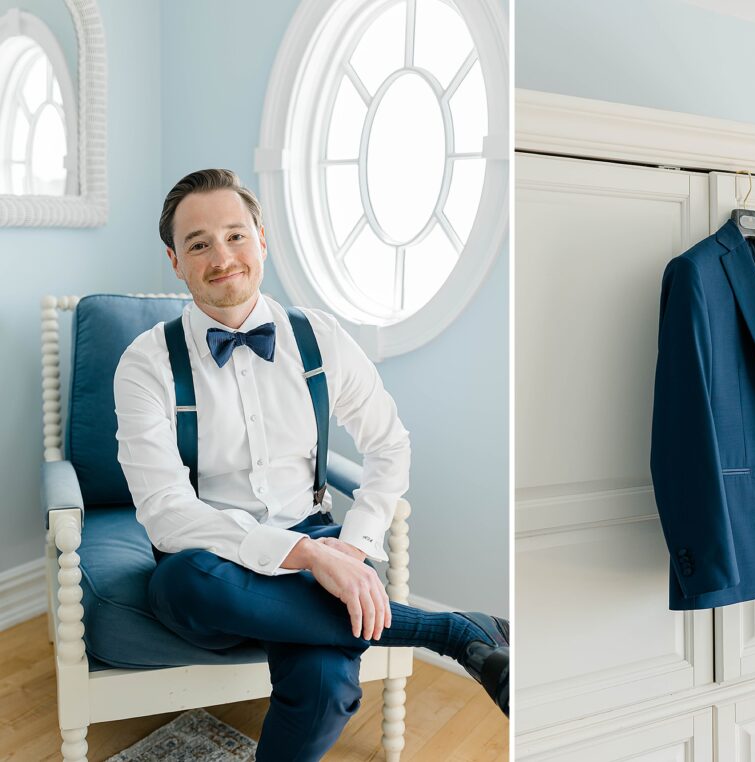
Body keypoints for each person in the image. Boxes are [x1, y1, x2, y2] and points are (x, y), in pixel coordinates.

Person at [113, 168, 509, 760]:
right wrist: (310, 557)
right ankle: (450, 630)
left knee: (326, 686)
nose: (222, 256)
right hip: (211, 555)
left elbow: (389, 443)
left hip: (314, 534)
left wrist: (349, 548)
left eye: (236, 235)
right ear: (175, 260)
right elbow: (167, 513)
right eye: (199, 244)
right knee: (185, 583)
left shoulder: (319, 339)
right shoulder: (145, 364)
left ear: (262, 240)